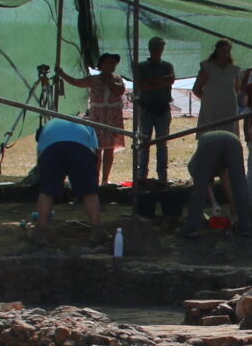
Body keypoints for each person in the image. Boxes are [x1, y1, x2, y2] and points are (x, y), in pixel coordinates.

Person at [62, 52, 130, 183]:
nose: (111, 65)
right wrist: (63, 75)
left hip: (112, 118)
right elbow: (76, 82)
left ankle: (105, 179)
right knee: (97, 149)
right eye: (108, 62)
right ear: (101, 65)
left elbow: (119, 91)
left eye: (113, 63)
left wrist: (110, 81)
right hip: (98, 118)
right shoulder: (93, 80)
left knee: (110, 149)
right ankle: (95, 179)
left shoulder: (117, 79)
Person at [31, 113, 103, 235]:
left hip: (52, 150)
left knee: (46, 193)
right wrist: (91, 182)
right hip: (81, 149)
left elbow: (41, 161)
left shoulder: (46, 129)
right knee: (90, 194)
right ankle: (97, 232)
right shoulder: (87, 126)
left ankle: (39, 232)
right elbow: (95, 154)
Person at [177, 129, 252, 236]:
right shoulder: (217, 165)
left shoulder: (195, 166)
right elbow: (230, 182)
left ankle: (190, 228)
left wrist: (217, 204)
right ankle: (245, 227)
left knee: (199, 190)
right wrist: (216, 205)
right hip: (233, 141)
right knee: (240, 183)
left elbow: (202, 186)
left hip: (209, 143)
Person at [132, 37, 177, 187]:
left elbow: (170, 80)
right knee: (144, 142)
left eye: (160, 48)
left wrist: (152, 82)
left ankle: (162, 176)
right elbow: (141, 85)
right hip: (146, 107)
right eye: (156, 48)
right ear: (151, 49)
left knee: (161, 143)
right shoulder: (141, 66)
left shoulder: (167, 66)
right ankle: (141, 175)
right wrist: (160, 82)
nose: (158, 51)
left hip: (162, 108)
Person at [193, 40, 242, 135]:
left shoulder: (233, 69)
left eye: (228, 51)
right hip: (211, 106)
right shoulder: (208, 67)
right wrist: (208, 99)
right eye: (223, 51)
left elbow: (237, 89)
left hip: (228, 107)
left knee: (228, 134)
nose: (225, 54)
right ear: (217, 51)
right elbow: (196, 89)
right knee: (210, 134)